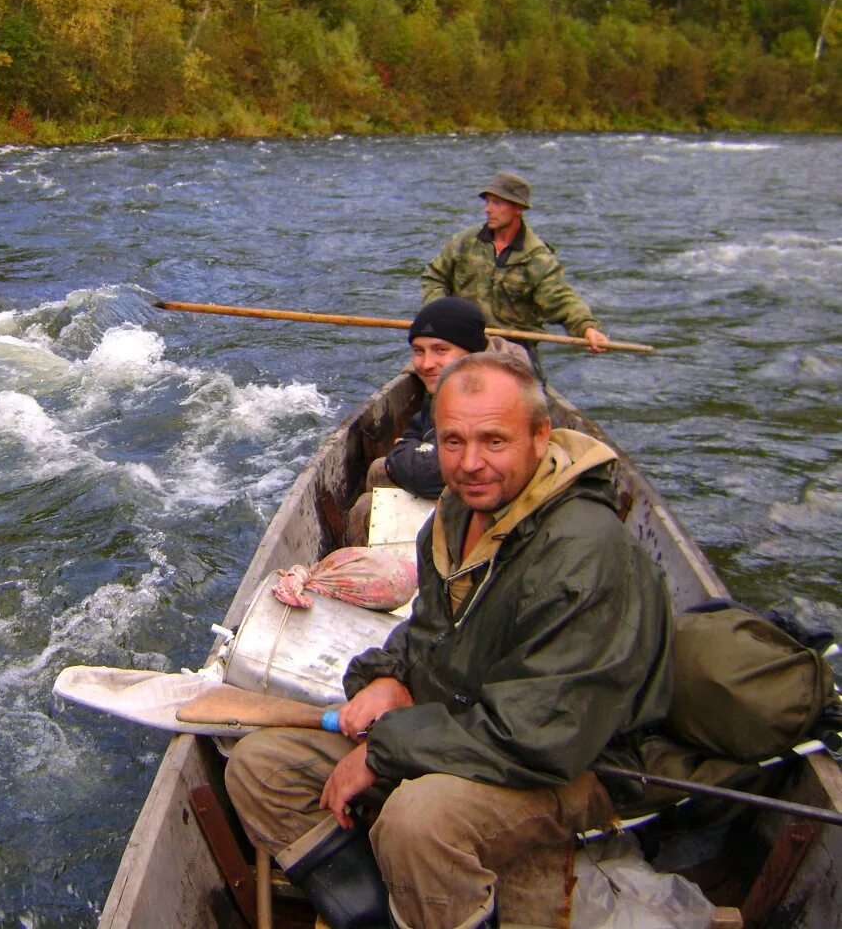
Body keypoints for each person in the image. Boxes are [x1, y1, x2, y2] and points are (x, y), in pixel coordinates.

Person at [226, 352, 673, 929]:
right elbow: (429, 631)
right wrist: (386, 676)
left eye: (494, 441)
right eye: (453, 441)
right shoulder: (460, 512)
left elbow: (544, 736)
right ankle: (381, 917)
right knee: (261, 767)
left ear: (540, 437)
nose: (470, 463)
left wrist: (385, 748)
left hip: (577, 766)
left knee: (419, 823)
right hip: (464, 725)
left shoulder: (584, 555)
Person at [344, 296, 528, 546]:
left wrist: (403, 456)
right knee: (378, 472)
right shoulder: (450, 383)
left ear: (472, 352)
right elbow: (414, 432)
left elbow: (438, 474)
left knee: (369, 502)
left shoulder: (495, 397)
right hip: (447, 486)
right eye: (419, 351)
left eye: (441, 350)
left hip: (497, 511)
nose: (427, 364)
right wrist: (407, 453)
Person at [421, 172, 611, 376]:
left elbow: (561, 299)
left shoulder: (537, 257)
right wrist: (441, 318)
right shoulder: (465, 242)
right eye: (487, 202)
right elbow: (434, 278)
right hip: (464, 342)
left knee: (526, 394)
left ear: (518, 208)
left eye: (497, 203)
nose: (488, 209)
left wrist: (586, 328)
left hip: (513, 350)